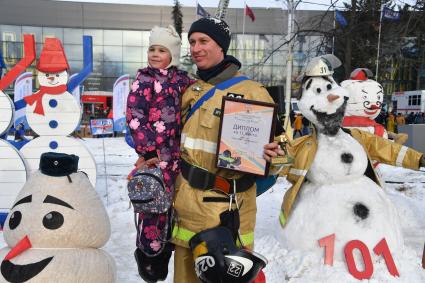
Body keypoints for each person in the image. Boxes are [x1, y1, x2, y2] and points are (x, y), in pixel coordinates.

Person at [171, 17, 284, 283]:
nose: (196, 48)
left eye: (203, 41)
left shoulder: (253, 92)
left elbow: (283, 147)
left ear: (221, 45)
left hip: (228, 212)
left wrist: (275, 155)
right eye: (192, 42)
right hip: (187, 206)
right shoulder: (191, 91)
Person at [126, 25, 194, 283]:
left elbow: (203, 93)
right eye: (152, 49)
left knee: (176, 204)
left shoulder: (182, 80)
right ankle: (150, 254)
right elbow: (134, 117)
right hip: (155, 156)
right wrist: (148, 149)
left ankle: (167, 246)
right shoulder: (144, 80)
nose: (155, 54)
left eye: (161, 50)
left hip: (179, 155)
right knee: (153, 205)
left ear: (173, 55)